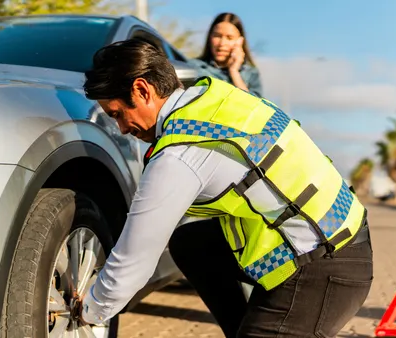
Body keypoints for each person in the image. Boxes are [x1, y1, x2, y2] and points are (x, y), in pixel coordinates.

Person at [79, 38, 374, 338]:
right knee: (191, 243)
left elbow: (133, 261)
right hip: (341, 238)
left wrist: (89, 309)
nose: (122, 128)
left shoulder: (179, 154)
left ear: (143, 90)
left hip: (324, 267)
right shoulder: (213, 98)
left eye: (116, 114)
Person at [189, 12, 263, 97]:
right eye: (217, 36)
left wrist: (234, 72)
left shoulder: (251, 73)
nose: (222, 43)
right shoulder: (193, 67)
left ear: (240, 41)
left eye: (229, 38)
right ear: (210, 37)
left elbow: (254, 106)